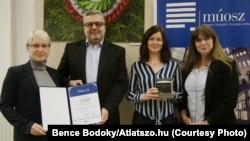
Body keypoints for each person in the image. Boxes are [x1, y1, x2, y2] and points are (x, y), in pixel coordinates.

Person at [57, 10, 128, 125]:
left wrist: (107, 109)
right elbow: (59, 76)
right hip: (78, 115)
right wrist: (69, 82)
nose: (94, 27)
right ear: (83, 28)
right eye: (89, 24)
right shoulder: (71, 49)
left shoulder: (117, 52)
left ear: (104, 27)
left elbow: (122, 83)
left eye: (98, 24)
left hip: (108, 116)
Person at [0, 30, 61, 141]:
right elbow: (5, 106)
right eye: (36, 45)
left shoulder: (55, 74)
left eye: (44, 46)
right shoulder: (15, 73)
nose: (40, 50)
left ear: (49, 48)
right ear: (28, 47)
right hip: (28, 136)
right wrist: (27, 126)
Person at [179, 24, 239, 125]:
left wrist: (208, 122)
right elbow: (183, 95)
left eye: (206, 38)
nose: (203, 43)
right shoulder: (187, 68)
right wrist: (184, 115)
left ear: (214, 40)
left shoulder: (227, 66)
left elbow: (229, 100)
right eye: (198, 40)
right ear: (194, 44)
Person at [126, 25, 183, 125]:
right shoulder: (136, 66)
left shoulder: (173, 66)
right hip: (142, 119)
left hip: (167, 119)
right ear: (146, 42)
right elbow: (129, 95)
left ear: (163, 43)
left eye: (159, 39)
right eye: (151, 39)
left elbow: (181, 94)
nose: (155, 42)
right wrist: (143, 96)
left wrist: (170, 95)